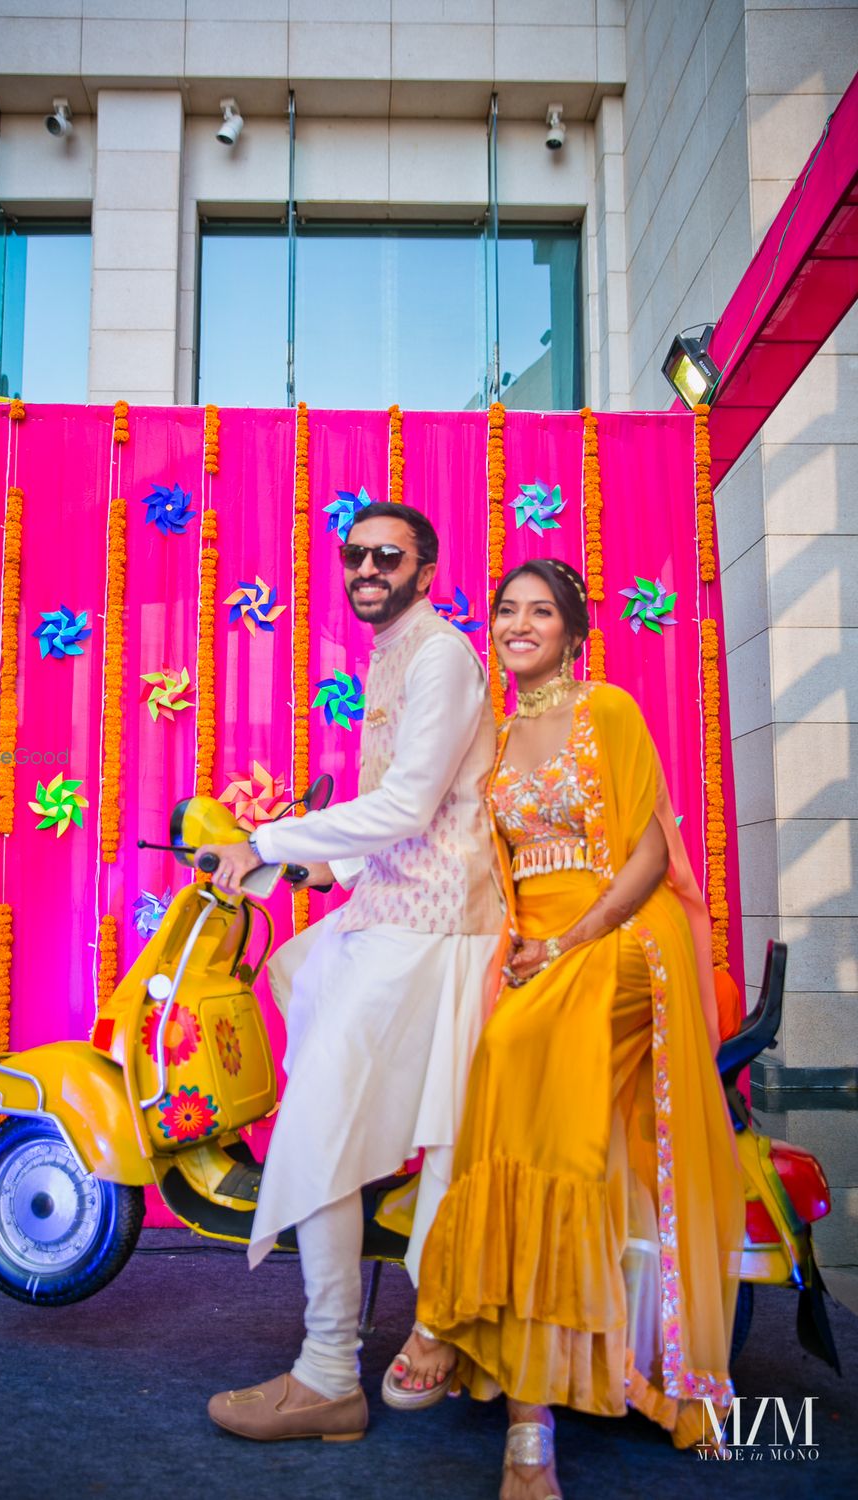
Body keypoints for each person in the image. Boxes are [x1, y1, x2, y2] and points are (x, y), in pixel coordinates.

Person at [387, 559, 743, 1499]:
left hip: (625, 939)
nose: (518, 624)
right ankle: (525, 1416)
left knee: (512, 1048)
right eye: (506, 609)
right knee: (513, 1080)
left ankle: (457, 1325)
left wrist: (570, 942)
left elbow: (649, 855)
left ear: (574, 631)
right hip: (540, 949)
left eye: (540, 611)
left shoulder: (609, 712)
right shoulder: (498, 740)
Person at [199, 502, 505, 1443]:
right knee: (294, 976)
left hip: (435, 929)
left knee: (320, 1119)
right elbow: (410, 804)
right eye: (354, 554)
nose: (366, 566)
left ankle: (331, 1370)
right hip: (388, 910)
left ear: (424, 566)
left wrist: (269, 838)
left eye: (387, 554)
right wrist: (313, 862)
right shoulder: (393, 653)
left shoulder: (442, 653)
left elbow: (413, 804)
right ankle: (348, 1326)